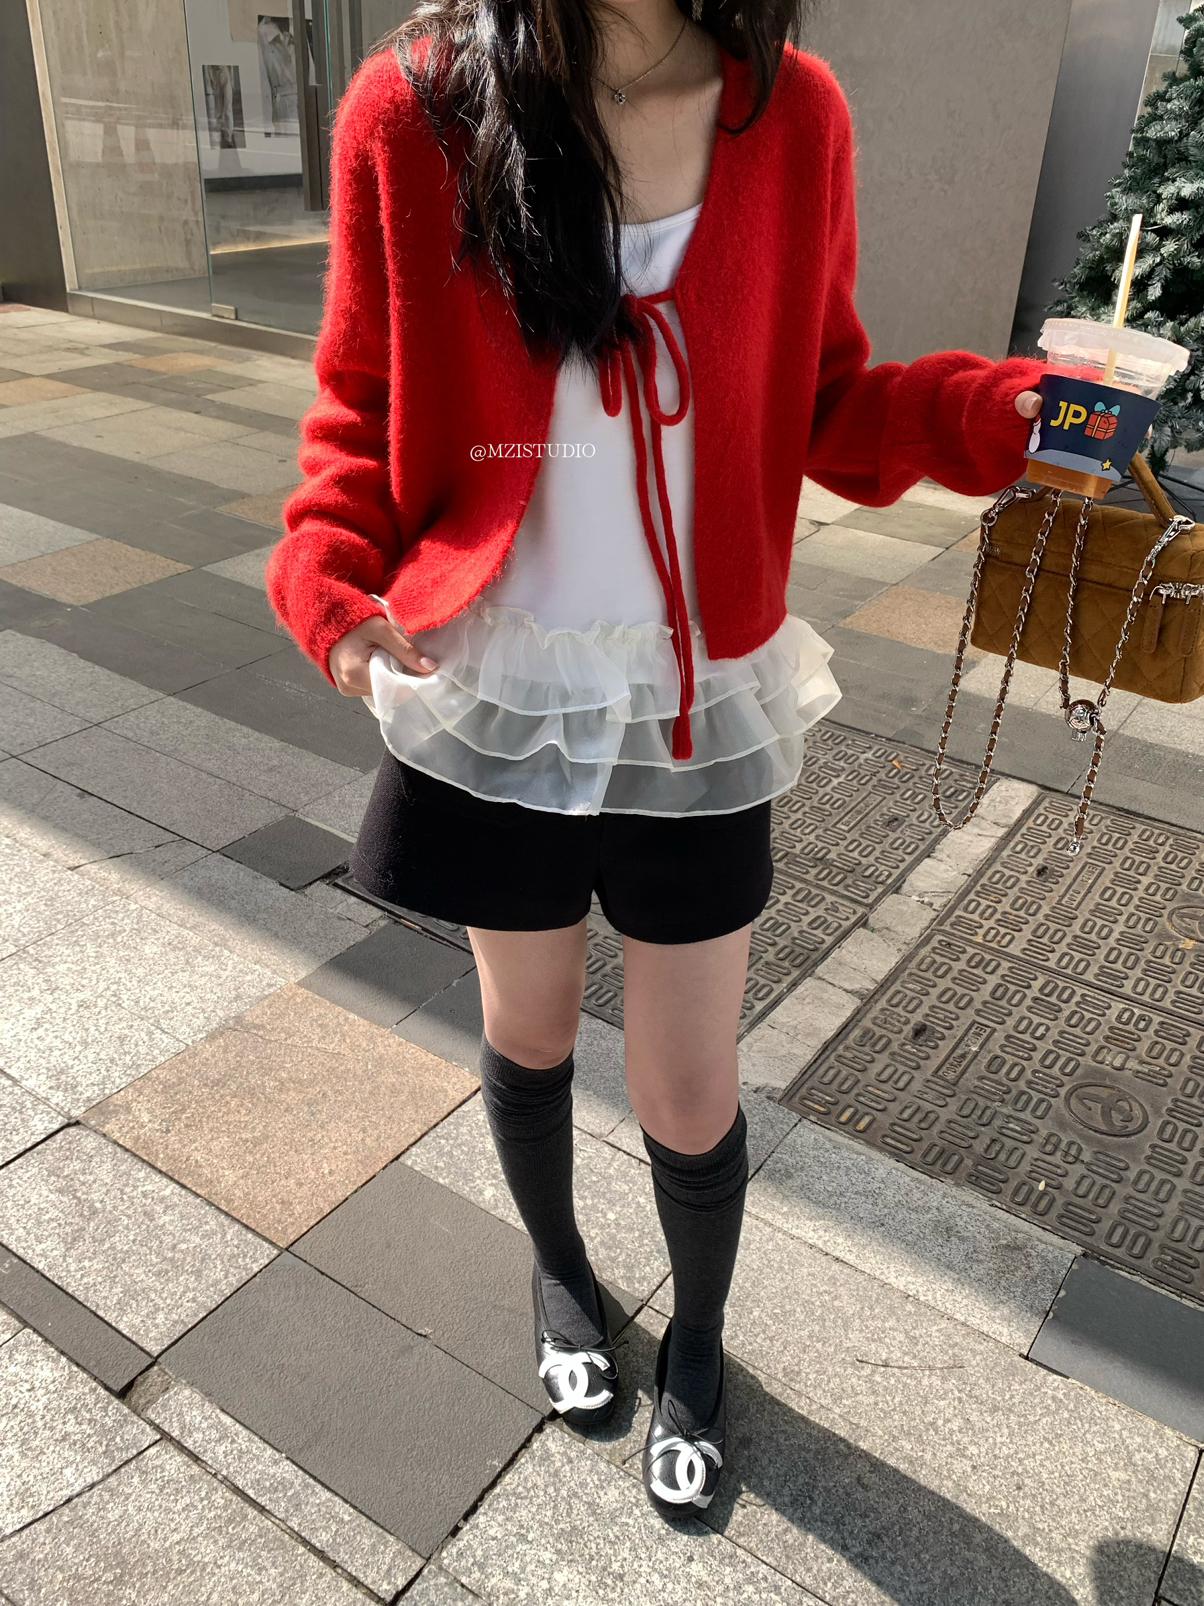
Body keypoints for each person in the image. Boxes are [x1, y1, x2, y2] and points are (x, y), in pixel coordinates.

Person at [265, 0, 1044, 1519]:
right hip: (500, 685)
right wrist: (333, 587)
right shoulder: (413, 111)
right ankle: (561, 1275)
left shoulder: (791, 113)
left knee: (689, 1085)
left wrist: (994, 412)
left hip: (697, 701)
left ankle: (698, 1342)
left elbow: (828, 402)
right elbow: (360, 403)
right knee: (531, 1028)